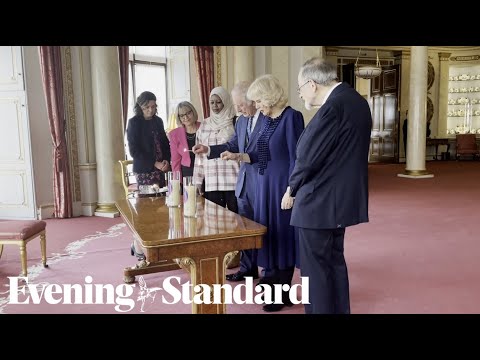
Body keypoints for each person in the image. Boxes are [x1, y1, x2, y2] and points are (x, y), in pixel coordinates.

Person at [283, 57, 372, 314]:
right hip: (340, 201)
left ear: (312, 84)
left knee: (315, 273)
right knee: (334, 265)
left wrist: (291, 188)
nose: (300, 94)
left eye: (300, 88)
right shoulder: (356, 101)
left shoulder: (333, 107)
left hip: (318, 203)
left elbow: (308, 156)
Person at [221, 75, 305, 312]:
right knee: (268, 238)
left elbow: (297, 159)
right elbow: (259, 156)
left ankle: (281, 294)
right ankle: (273, 290)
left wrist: (292, 190)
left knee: (283, 238)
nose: (256, 106)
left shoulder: (292, 117)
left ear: (269, 96)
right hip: (263, 187)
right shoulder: (267, 121)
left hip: (282, 188)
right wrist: (238, 156)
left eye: (257, 100)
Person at [193, 81, 266, 282]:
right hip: (223, 183)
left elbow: (259, 151)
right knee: (229, 226)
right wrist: (208, 151)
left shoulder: (245, 120)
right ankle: (246, 267)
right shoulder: (240, 121)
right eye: (212, 102)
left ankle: (263, 268)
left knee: (249, 227)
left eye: (239, 104)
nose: (238, 109)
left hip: (241, 181)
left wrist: (241, 157)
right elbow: (231, 145)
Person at [126, 91, 171, 260]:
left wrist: (167, 161)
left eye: (153, 107)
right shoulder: (134, 123)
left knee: (161, 206)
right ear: (140, 107)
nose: (151, 110)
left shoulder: (158, 121)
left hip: (161, 169)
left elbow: (165, 144)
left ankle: (159, 244)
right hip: (145, 170)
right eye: (147, 107)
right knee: (146, 209)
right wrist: (155, 163)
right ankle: (140, 246)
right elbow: (134, 151)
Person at [193, 86, 239, 213]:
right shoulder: (204, 125)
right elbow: (199, 157)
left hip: (233, 181)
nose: (215, 106)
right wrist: (197, 182)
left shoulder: (235, 122)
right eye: (212, 102)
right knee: (214, 223)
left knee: (237, 222)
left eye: (218, 102)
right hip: (212, 183)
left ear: (226, 101)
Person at [169, 101, 201, 181]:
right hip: (187, 173)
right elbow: (175, 160)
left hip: (205, 170)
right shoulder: (174, 134)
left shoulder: (204, 127)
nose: (186, 117)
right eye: (182, 115)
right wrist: (177, 182)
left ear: (193, 112)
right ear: (179, 118)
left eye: (188, 113)